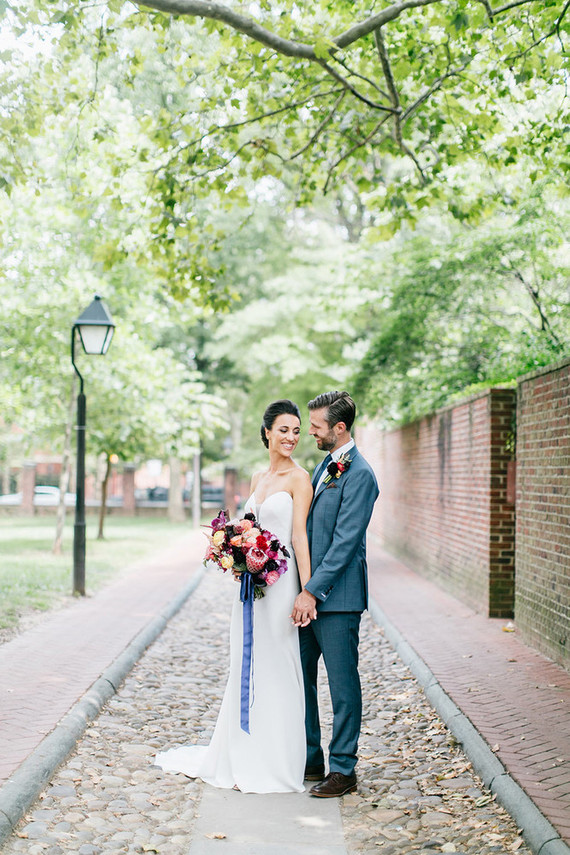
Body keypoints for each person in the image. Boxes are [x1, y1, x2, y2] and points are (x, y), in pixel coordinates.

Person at [155, 399, 313, 793]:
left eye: (296, 431)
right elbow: (249, 527)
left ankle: (277, 761)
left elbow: (298, 537)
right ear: (267, 433)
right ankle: (243, 752)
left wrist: (307, 592)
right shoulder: (258, 477)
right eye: (284, 430)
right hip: (251, 587)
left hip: (282, 585)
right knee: (246, 660)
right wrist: (235, 553)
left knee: (278, 663)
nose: (291, 437)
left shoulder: (300, 478)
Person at [291, 390, 379, 798]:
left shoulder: (360, 475)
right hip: (307, 597)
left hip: (338, 601)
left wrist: (311, 591)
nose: (310, 432)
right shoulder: (324, 467)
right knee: (300, 679)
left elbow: (345, 543)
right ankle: (311, 758)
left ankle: (343, 768)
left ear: (339, 428)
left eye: (316, 427)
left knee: (342, 687)